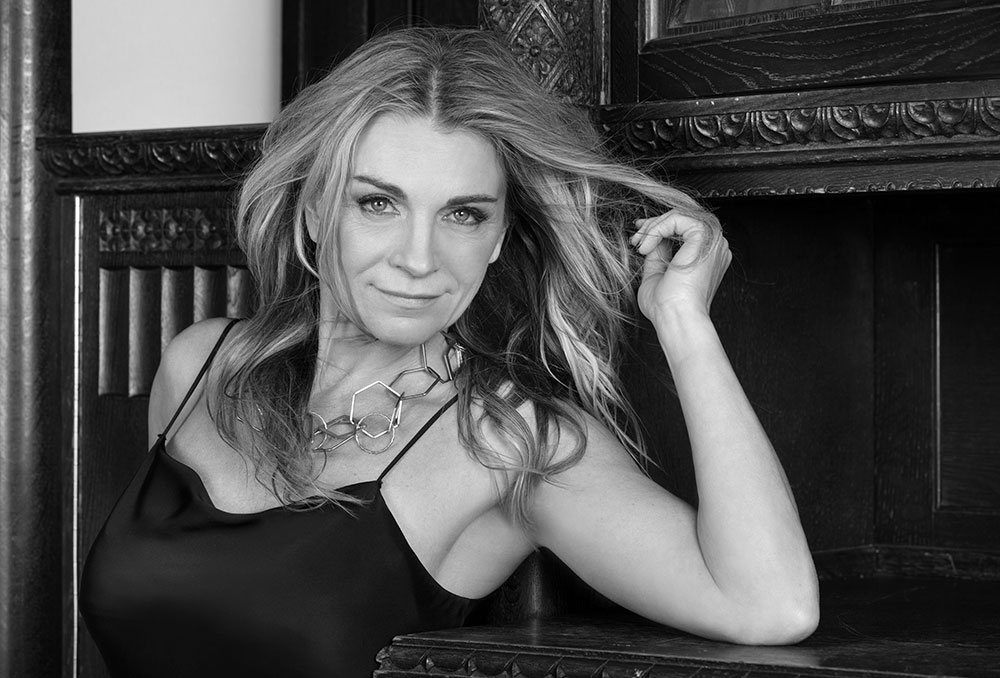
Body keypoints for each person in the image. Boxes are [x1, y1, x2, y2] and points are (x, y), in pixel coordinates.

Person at [80, 26, 819, 678]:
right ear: (314, 213)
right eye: (377, 203)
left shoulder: (505, 443)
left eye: (463, 215)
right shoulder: (203, 365)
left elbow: (770, 605)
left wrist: (685, 323)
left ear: (497, 239)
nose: (418, 259)